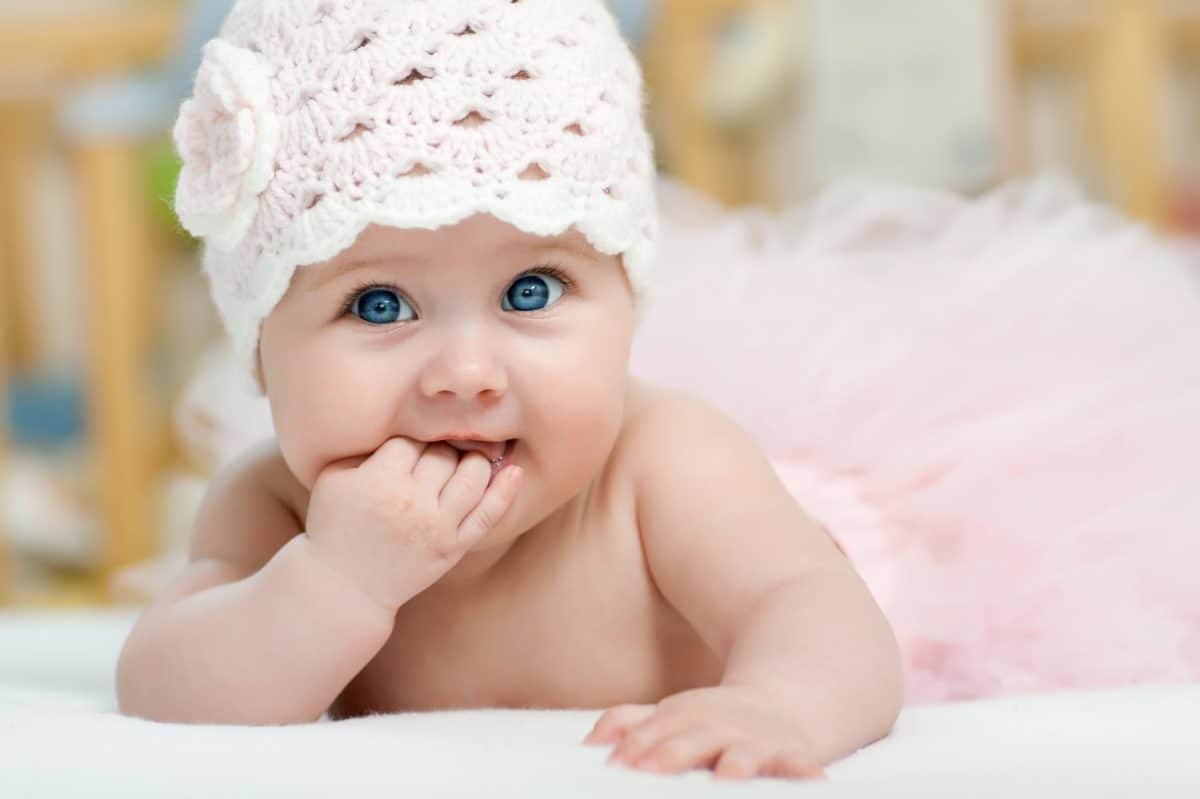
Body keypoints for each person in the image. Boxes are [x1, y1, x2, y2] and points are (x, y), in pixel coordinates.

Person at [115, 0, 902, 781]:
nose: (465, 374)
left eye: (530, 290)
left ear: (627, 305)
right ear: (261, 354)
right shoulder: (279, 509)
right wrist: (332, 582)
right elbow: (162, 680)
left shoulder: (663, 464)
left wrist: (779, 703)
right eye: (378, 304)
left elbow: (814, 605)